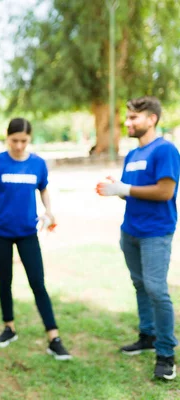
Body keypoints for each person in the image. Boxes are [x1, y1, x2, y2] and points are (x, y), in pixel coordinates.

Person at [96, 96, 179, 380]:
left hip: (156, 233)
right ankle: (148, 336)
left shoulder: (165, 150)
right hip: (129, 230)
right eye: (127, 117)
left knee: (157, 290)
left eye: (134, 118)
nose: (128, 123)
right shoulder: (132, 155)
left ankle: (166, 354)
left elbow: (165, 192)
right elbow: (130, 190)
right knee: (140, 284)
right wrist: (115, 189)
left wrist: (126, 189)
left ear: (152, 119)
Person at [0, 117, 72, 360]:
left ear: (29, 139)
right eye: (14, 140)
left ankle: (54, 337)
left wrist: (49, 211)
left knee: (37, 283)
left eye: (24, 141)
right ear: (7, 137)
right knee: (4, 280)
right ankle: (9, 327)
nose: (19, 146)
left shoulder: (38, 164)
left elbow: (43, 188)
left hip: (28, 232)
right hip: (0, 232)